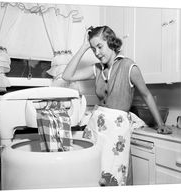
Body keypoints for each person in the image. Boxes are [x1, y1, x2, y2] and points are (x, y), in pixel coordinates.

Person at [62, 26, 172, 186]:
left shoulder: (129, 67)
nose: (97, 53)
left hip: (116, 130)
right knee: (90, 173)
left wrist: (160, 124)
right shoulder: (97, 69)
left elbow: (147, 94)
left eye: (100, 46)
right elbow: (67, 75)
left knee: (113, 176)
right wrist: (84, 47)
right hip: (95, 127)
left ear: (111, 42)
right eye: (94, 49)